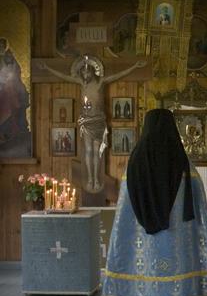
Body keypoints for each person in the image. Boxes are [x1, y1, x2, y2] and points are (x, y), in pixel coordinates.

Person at [102, 108, 207, 296]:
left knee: (144, 260)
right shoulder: (182, 160)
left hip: (142, 235)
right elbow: (197, 199)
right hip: (176, 234)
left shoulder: (136, 160)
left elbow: (125, 205)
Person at [41, 55, 145, 193]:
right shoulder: (81, 83)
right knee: (88, 151)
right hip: (86, 121)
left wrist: (134, 66)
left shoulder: (101, 82)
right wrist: (47, 68)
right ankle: (90, 178)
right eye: (83, 73)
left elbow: (118, 75)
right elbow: (64, 77)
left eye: (87, 72)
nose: (85, 75)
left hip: (99, 121)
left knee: (97, 152)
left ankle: (96, 179)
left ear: (92, 72)